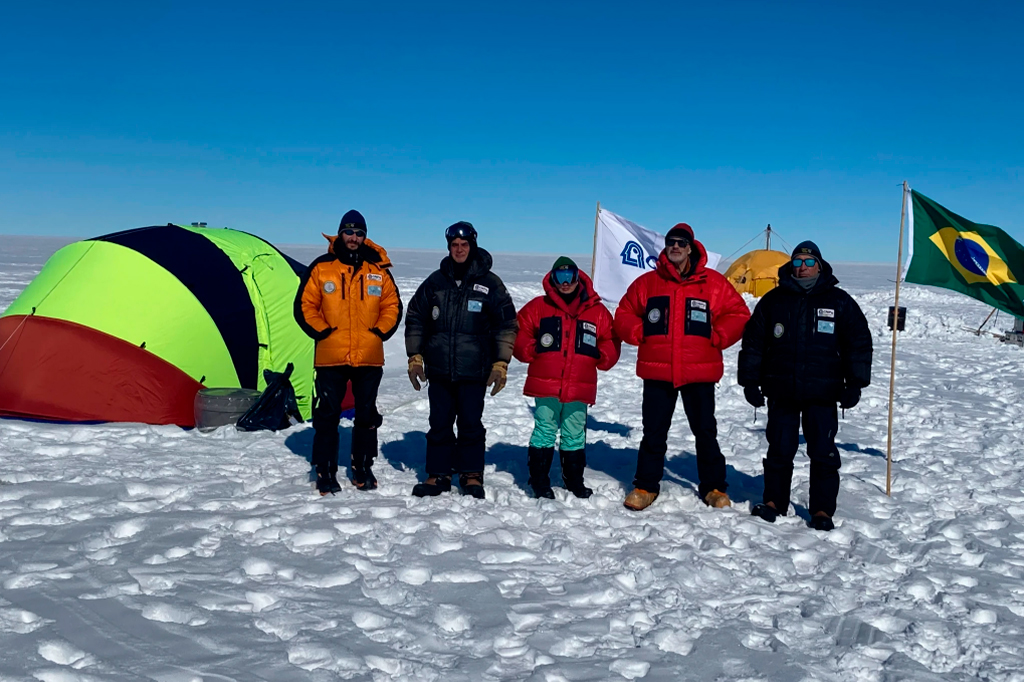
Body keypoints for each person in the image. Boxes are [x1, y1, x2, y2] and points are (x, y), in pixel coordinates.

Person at [614, 223, 750, 511]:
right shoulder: (648, 283)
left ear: (691, 248)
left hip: (698, 371)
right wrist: (638, 331)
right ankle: (645, 485)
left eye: (681, 243)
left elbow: (738, 312)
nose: (675, 247)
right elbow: (624, 312)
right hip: (657, 370)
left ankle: (713, 487)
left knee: (705, 431)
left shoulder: (711, 283)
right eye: (671, 242)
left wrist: (719, 335)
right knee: (654, 432)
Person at [738, 241, 872, 531]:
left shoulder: (839, 301)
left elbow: (858, 343)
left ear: (820, 267)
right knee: (779, 449)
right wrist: (750, 381)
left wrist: (855, 382)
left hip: (823, 393)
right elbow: (753, 344)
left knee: (823, 453)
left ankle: (822, 510)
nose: (802, 267)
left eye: (808, 262)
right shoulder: (774, 300)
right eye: (797, 262)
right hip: (781, 389)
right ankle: (774, 502)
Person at [404, 222, 518, 499]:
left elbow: (506, 324)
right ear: (448, 247)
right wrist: (415, 356)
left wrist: (500, 363)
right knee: (439, 422)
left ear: (473, 246)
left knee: (470, 423)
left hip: (474, 369)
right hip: (440, 368)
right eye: (454, 245)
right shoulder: (435, 281)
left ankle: (471, 474)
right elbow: (416, 317)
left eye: (464, 245)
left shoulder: (490, 284)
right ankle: (438, 474)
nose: (459, 250)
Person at [294, 210, 402, 495]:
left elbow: (392, 305)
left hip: (368, 355)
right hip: (331, 356)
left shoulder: (377, 270)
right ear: (340, 233)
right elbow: (306, 306)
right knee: (327, 414)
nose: (354, 238)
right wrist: (324, 332)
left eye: (359, 233)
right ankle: (325, 470)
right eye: (349, 232)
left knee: (367, 415)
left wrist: (379, 332)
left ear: (365, 237)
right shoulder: (322, 267)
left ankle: (362, 466)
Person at [513, 257, 621, 499]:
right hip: (545, 384)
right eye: (559, 278)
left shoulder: (597, 312)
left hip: (579, 385)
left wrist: (603, 355)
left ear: (578, 278)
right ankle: (539, 481)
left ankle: (574, 481)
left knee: (574, 433)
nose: (565, 283)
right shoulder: (538, 307)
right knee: (544, 429)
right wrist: (530, 349)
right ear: (552, 279)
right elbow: (519, 333)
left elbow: (611, 340)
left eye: (569, 277)